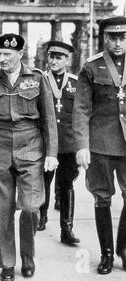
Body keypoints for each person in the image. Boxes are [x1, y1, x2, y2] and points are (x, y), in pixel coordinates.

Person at [0, 33, 58, 281]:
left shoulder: (36, 78)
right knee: (1, 209)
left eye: (7, 55)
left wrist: (52, 153)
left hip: (30, 145)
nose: (2, 59)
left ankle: (28, 256)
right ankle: (8, 263)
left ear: (20, 55)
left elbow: (48, 119)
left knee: (31, 207)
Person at [73, 16, 126, 275]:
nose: (118, 42)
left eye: (123, 37)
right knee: (102, 198)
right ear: (104, 37)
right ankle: (106, 254)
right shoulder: (92, 67)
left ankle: (123, 248)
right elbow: (81, 109)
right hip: (101, 144)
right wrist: (82, 146)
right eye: (113, 37)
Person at [37, 41, 80, 245]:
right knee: (44, 180)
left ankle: (67, 228)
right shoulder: (40, 80)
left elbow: (81, 115)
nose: (54, 61)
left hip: (69, 143)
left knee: (67, 184)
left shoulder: (76, 82)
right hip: (45, 143)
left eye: (59, 58)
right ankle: (41, 216)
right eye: (51, 57)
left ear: (67, 60)